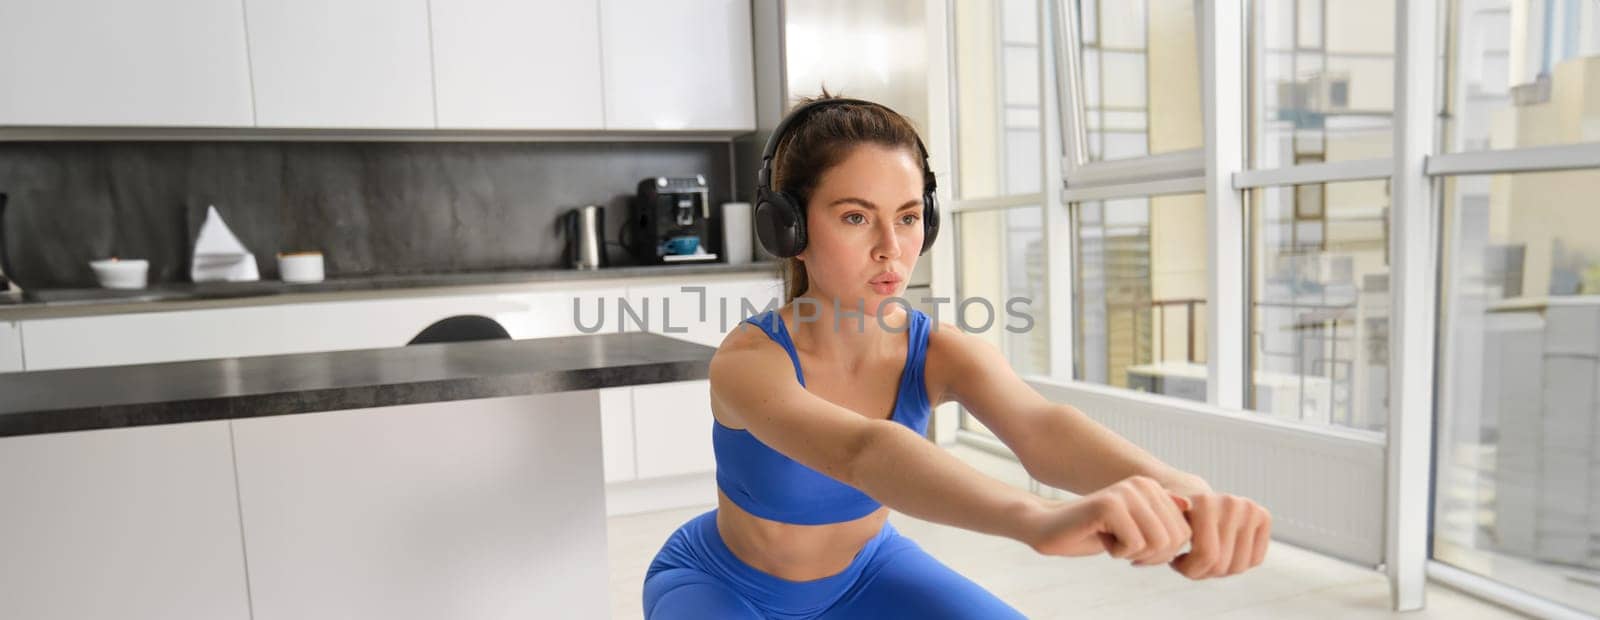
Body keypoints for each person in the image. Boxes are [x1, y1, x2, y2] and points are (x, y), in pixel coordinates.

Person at [641, 93, 1272, 619]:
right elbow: (865, 453)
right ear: (790, 230)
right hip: (724, 588)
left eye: (909, 216)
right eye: (857, 217)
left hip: (866, 574)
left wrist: (1183, 490)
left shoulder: (939, 351)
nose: (893, 247)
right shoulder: (749, 362)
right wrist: (1035, 519)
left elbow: (1043, 429)